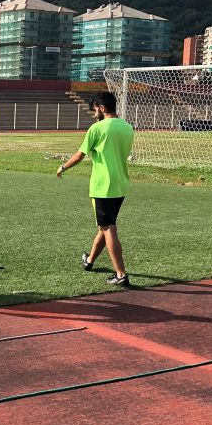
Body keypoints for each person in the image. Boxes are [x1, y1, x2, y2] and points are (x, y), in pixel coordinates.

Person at [56, 91, 134, 287]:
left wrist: (63, 167)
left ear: (102, 107)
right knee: (104, 226)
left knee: (109, 228)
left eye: (95, 110)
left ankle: (120, 274)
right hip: (120, 184)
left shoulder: (97, 128)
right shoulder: (127, 127)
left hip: (102, 186)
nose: (94, 114)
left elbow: (79, 155)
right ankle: (90, 261)